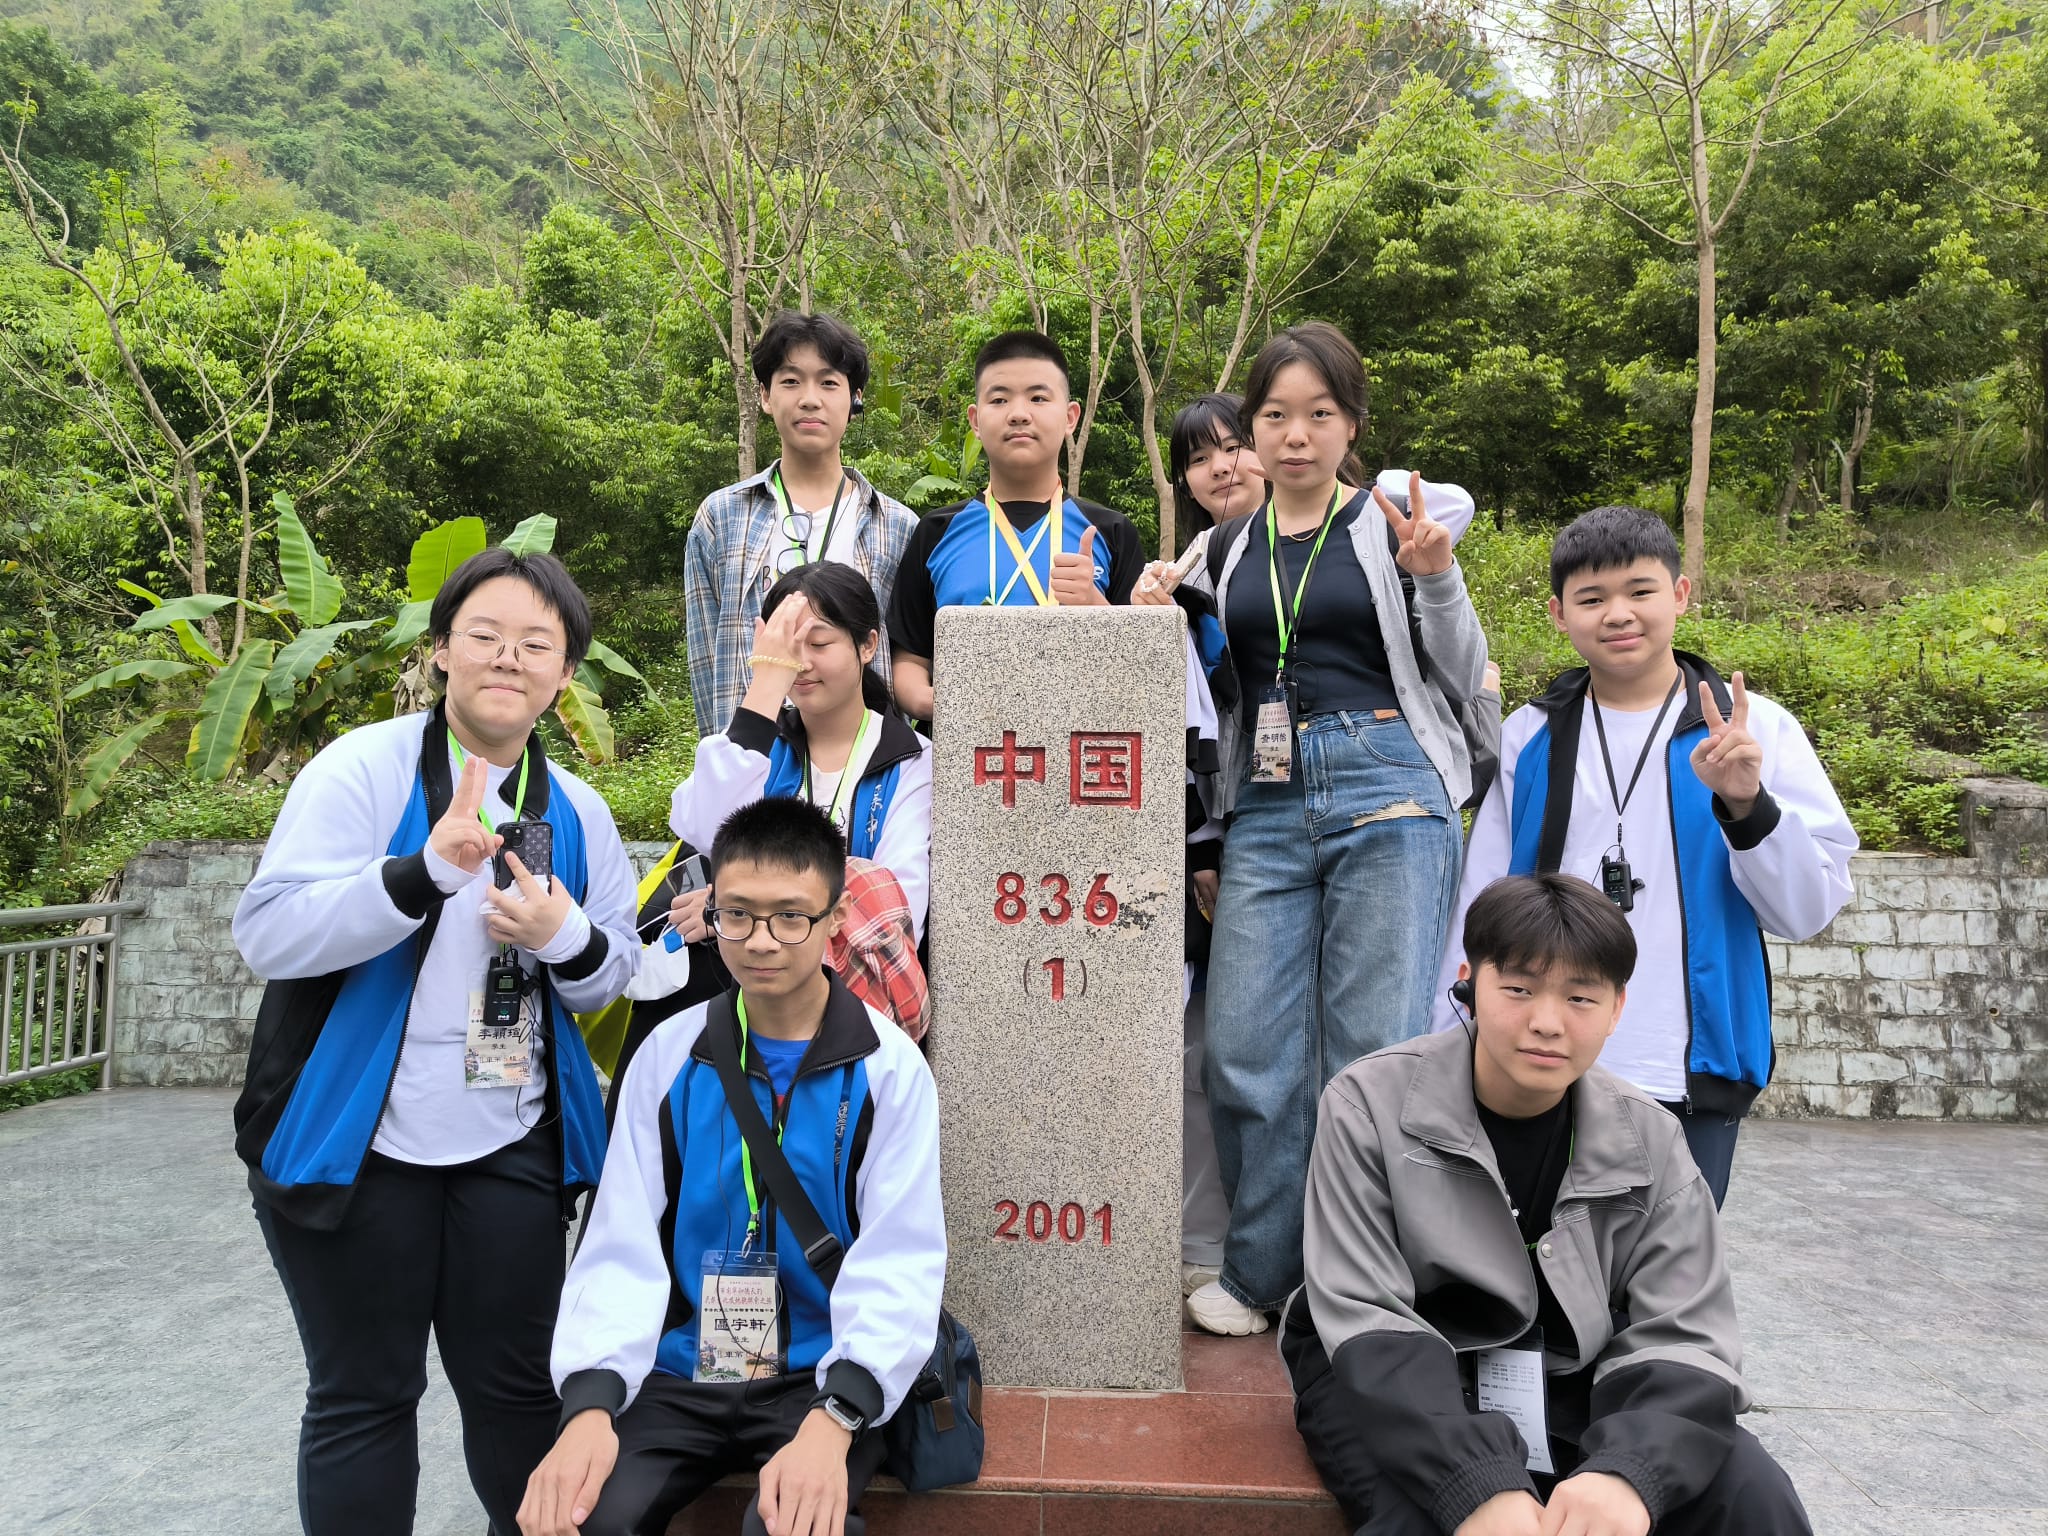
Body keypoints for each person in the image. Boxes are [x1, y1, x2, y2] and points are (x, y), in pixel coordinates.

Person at [232, 548, 640, 1536]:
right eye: (485, 635)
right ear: (442, 650)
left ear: (564, 674)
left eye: (535, 644)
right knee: (364, 1396)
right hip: (356, 1144)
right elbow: (268, 935)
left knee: (518, 1393)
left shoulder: (577, 811)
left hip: (510, 1140)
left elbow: (608, 975)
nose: (508, 658)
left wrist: (563, 936)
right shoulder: (361, 770)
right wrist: (416, 875)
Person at [1136, 323, 1486, 1336]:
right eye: (1276, 416)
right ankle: (1260, 1271)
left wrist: (1436, 576)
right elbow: (1203, 692)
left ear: (1350, 425)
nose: (1295, 436)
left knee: (1370, 1049)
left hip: (1391, 784)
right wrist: (1151, 608)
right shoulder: (1225, 546)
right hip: (1267, 798)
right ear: (1250, 429)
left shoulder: (1387, 523)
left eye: (1319, 414)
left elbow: (1462, 670)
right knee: (1244, 1044)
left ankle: (1355, 1283)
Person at [1285, 872, 1813, 1536]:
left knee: (1752, 1491)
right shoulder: (1368, 1102)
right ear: (1468, 983)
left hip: (1571, 1373)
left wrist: (1629, 1470)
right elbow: (1367, 1311)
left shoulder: (1650, 1138)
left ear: (1617, 1009)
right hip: (1390, 1382)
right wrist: (1475, 1484)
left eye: (1580, 997)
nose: (1547, 1022)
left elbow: (1687, 1331)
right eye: (1518, 989)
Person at [517, 797, 945, 1536]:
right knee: (582, 1520)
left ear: (837, 918)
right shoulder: (668, 1054)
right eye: (737, 915)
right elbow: (619, 1242)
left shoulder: (890, 1069)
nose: (760, 941)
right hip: (682, 1373)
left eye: (790, 917)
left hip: (818, 1378)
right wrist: (589, 1405)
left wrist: (838, 1415)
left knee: (793, 1527)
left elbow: (900, 1259)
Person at [1431, 505, 1855, 1205]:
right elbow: (1483, 897)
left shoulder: (1755, 732)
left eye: (1640, 591)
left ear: (1680, 594)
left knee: (1669, 1263)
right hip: (1541, 1060)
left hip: (1690, 1066)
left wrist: (1748, 804)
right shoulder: (1530, 734)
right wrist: (1453, 1035)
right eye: (1592, 598)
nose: (1619, 614)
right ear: (1558, 614)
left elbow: (1805, 911)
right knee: (1530, 1255)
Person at [885, 330, 1148, 723]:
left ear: (1070, 417)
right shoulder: (936, 532)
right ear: (975, 420)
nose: (1019, 413)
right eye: (1000, 399)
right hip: (970, 746)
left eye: (1038, 398)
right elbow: (909, 658)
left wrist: (1094, 605)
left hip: (1081, 745)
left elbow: (1142, 666)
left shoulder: (1110, 531)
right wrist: (935, 704)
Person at [671, 561, 934, 945]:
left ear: (868, 645)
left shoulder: (911, 760)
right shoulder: (755, 743)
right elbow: (704, 828)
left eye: (819, 644)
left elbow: (893, 911)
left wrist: (737, 910)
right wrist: (766, 684)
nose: (801, 663)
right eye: (787, 647)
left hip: (847, 982)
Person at [686, 310, 918, 736]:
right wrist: (725, 761)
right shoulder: (721, 516)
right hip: (756, 756)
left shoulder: (897, 526)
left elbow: (908, 661)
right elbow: (705, 663)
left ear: (855, 398)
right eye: (791, 381)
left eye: (828, 383)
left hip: (865, 758)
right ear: (765, 395)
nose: (810, 399)